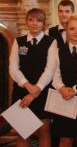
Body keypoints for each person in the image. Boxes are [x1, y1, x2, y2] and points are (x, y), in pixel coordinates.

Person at [9, 8, 57, 147]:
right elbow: (13, 68)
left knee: (44, 131)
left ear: (44, 23)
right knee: (23, 132)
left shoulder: (51, 41)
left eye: (38, 20)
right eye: (31, 20)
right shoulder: (19, 41)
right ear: (26, 22)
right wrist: (27, 86)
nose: (34, 23)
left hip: (42, 92)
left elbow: (50, 69)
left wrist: (36, 90)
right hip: (22, 91)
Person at [52, 15, 77, 147]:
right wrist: (62, 88)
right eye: (72, 28)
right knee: (65, 139)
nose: (76, 32)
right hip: (63, 98)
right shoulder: (58, 51)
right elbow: (55, 75)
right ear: (66, 30)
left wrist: (74, 90)